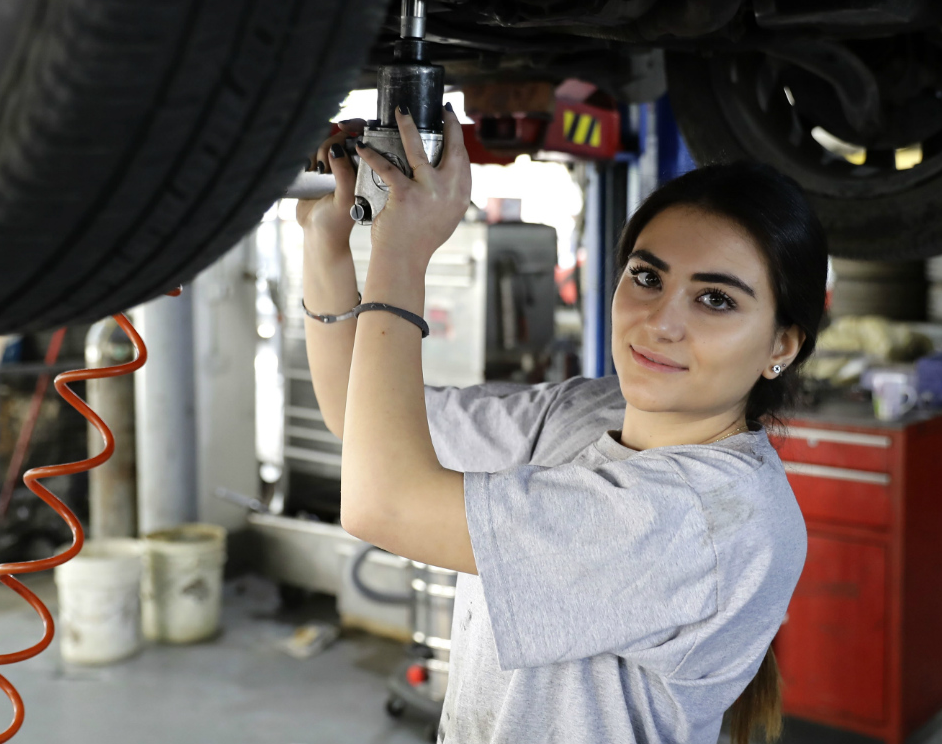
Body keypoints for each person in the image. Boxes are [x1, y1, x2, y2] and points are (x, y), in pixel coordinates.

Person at [297, 105, 827, 744]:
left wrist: (402, 250)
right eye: (647, 276)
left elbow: (382, 506)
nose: (661, 320)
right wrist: (327, 245)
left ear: (783, 344)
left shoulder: (703, 519)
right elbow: (354, 420)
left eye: (716, 299)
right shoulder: (587, 414)